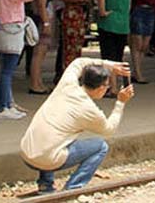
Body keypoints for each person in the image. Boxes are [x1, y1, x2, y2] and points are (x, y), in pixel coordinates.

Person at [20, 57, 135, 193]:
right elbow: (109, 129)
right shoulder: (89, 110)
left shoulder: (67, 84)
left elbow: (78, 62)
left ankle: (46, 185)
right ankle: (73, 188)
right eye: (107, 86)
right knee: (100, 146)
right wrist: (120, 102)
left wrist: (110, 65)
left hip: (26, 152)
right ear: (101, 88)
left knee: (56, 136)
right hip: (47, 160)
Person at [0, 0, 44, 120]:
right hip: (11, 29)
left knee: (8, 70)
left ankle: (8, 104)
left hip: (12, 29)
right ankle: (3, 107)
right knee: (7, 71)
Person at [97, 0, 131, 96]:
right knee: (118, 56)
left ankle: (112, 87)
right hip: (123, 22)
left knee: (108, 57)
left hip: (109, 22)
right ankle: (120, 84)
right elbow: (129, 3)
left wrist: (102, 11)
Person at [60, 0, 101, 71]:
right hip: (71, 15)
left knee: (77, 47)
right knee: (70, 47)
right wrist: (80, 0)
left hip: (80, 16)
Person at [28, 0, 58, 95]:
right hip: (42, 20)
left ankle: (38, 82)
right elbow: (41, 5)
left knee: (41, 53)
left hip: (44, 18)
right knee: (39, 53)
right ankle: (35, 83)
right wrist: (46, 22)